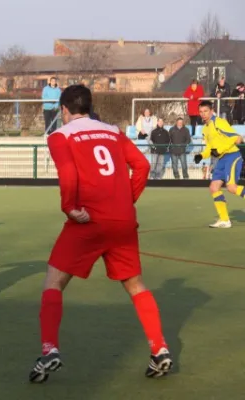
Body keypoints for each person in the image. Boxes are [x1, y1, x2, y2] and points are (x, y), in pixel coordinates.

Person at [29, 85, 172, 384]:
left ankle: (49, 349)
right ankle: (159, 349)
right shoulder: (112, 131)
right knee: (135, 284)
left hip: (88, 220)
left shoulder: (60, 136)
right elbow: (142, 165)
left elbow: (68, 174)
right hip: (122, 220)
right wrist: (126, 201)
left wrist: (69, 207)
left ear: (64, 110)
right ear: (89, 107)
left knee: (53, 281)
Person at [193, 100, 244, 228]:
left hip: (233, 156)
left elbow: (235, 137)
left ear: (211, 111)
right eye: (201, 112)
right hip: (222, 159)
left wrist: (219, 150)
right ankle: (224, 220)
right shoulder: (205, 129)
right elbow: (210, 147)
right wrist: (202, 155)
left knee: (231, 187)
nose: (203, 114)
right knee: (214, 187)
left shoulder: (219, 122)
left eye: (205, 111)